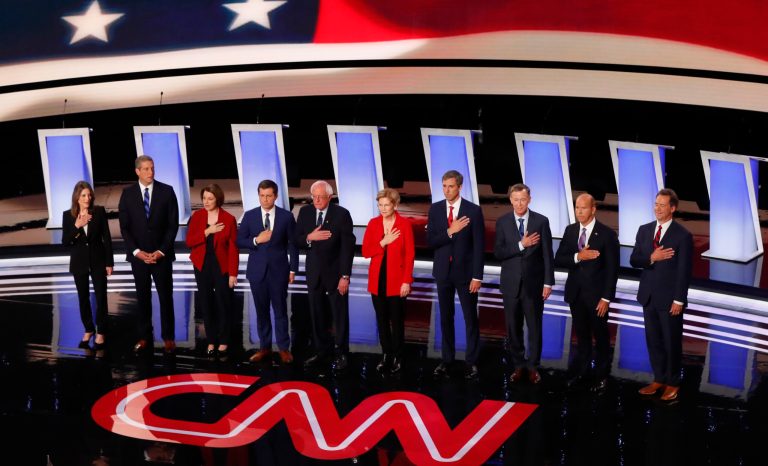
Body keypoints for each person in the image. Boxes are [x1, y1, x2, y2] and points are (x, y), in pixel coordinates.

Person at [630, 188, 693, 402]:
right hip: (648, 296)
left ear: (672, 208)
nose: (657, 208)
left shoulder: (682, 235)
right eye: (656, 204)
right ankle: (659, 378)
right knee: (653, 341)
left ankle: (673, 382)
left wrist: (679, 300)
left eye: (662, 205)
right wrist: (652, 257)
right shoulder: (644, 230)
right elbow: (634, 260)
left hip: (669, 300)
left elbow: (684, 271)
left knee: (671, 342)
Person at [554, 193, 619, 392]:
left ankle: (601, 376)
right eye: (577, 208)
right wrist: (578, 256)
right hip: (576, 294)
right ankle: (581, 372)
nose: (579, 211)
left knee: (600, 338)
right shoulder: (571, 230)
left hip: (598, 297)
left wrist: (606, 298)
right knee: (581, 337)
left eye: (583, 208)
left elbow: (612, 269)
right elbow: (559, 259)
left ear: (593, 209)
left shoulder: (607, 234)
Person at [118, 155, 179, 354]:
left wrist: (161, 251)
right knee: (142, 298)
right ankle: (145, 337)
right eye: (145, 169)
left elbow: (172, 225)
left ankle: (168, 337)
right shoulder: (127, 194)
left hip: (161, 256)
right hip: (140, 258)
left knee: (165, 298)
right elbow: (125, 228)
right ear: (137, 171)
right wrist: (137, 252)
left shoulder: (167, 191)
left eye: (152, 168)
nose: (150, 172)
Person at [494, 183, 554, 385]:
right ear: (510, 200)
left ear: (529, 199)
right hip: (510, 285)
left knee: (535, 327)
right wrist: (522, 244)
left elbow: (547, 254)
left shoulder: (541, 221)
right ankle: (519, 365)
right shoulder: (502, 222)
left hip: (534, 284)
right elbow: (499, 253)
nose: (519, 203)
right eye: (516, 199)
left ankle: (533, 366)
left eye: (523, 199)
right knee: (513, 328)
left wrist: (548, 282)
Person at [427, 170, 484, 379]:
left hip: (466, 274)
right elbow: (431, 241)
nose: (446, 190)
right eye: (444, 186)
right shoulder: (435, 210)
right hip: (443, 272)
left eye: (450, 186)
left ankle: (472, 361)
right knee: (445, 317)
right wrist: (451, 230)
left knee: (470, 318)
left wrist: (477, 276)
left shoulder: (473, 211)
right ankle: (447, 359)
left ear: (459, 187)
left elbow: (479, 246)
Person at [295, 180, 355, 370]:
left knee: (339, 315)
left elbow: (347, 247)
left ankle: (341, 353)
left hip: (336, 274)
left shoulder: (341, 214)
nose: (317, 200)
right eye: (314, 196)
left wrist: (345, 276)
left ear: (330, 197)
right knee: (317, 314)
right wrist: (309, 238)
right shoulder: (305, 213)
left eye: (321, 197)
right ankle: (321, 351)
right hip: (314, 273)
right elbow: (296, 239)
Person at [237, 179, 299, 364]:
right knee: (261, 311)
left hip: (279, 271)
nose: (265, 199)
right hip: (257, 272)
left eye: (269, 196)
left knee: (280, 311)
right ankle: (264, 347)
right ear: (258, 195)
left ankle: (283, 348)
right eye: (262, 196)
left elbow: (293, 246)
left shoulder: (286, 217)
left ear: (276, 196)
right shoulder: (249, 216)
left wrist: (293, 269)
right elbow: (239, 241)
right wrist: (256, 240)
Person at [362, 188, 415, 374]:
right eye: (380, 205)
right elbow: (366, 252)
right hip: (377, 281)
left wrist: (406, 281)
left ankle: (398, 356)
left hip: (397, 281)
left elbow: (410, 255)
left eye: (386, 205)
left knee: (397, 321)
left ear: (395, 204)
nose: (383, 209)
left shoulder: (404, 224)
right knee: (382, 320)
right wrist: (383, 242)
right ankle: (386, 355)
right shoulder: (373, 223)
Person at [186, 183, 238, 358]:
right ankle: (211, 340)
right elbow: (189, 242)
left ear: (218, 199)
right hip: (202, 265)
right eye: (204, 198)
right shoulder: (197, 216)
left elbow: (233, 249)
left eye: (210, 198)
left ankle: (224, 340)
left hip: (221, 266)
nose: (206, 202)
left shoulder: (229, 219)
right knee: (206, 303)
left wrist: (232, 273)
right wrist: (207, 231)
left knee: (223, 303)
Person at [61, 181, 114, 349]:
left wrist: (109, 262)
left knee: (101, 298)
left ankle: (101, 331)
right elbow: (65, 242)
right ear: (77, 197)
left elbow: (107, 238)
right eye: (83, 195)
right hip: (79, 263)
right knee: (82, 297)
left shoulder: (98, 212)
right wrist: (78, 226)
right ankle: (89, 328)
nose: (87, 198)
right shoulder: (68, 216)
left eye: (89, 195)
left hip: (98, 261)